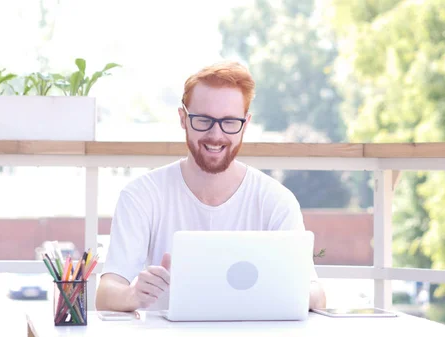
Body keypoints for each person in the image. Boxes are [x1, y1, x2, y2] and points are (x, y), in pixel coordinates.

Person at [95, 60, 327, 312]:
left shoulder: (276, 200)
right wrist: (132, 295)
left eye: (229, 122)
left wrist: (302, 292)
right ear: (183, 119)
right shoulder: (142, 195)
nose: (216, 135)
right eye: (203, 120)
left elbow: (315, 293)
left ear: (245, 125)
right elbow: (106, 292)